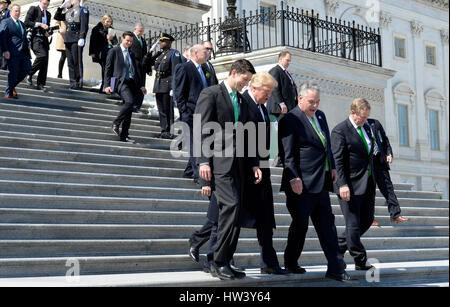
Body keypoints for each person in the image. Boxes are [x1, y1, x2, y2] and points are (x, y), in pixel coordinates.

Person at [195, 59, 262, 280]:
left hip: (240, 165)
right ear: (234, 73)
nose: (246, 84)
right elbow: (201, 128)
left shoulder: (242, 101)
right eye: (245, 79)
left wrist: (254, 163)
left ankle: (223, 260)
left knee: (236, 211)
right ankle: (218, 260)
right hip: (219, 163)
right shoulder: (211, 93)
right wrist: (203, 161)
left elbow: (249, 134)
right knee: (230, 206)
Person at [278, 82, 352, 282]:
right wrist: (294, 177)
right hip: (300, 183)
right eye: (311, 101)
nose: (315, 106)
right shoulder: (290, 119)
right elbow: (288, 154)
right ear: (300, 98)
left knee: (328, 225)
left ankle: (336, 267)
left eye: (317, 102)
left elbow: (326, 144)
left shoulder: (320, 116)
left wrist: (333, 167)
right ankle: (291, 261)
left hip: (321, 182)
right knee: (300, 225)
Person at [240, 72, 290, 275]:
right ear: (254, 88)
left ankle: (269, 263)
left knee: (265, 218)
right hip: (245, 168)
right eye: (266, 92)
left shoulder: (262, 107)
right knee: (232, 218)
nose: (270, 96)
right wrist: (253, 164)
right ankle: (214, 254)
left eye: (271, 92)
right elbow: (242, 136)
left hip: (262, 167)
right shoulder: (243, 103)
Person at [331, 98, 377, 271]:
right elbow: (338, 161)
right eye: (362, 118)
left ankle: (336, 248)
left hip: (367, 184)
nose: (365, 121)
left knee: (365, 221)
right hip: (349, 185)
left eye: (366, 118)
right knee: (353, 224)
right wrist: (342, 184)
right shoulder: (340, 131)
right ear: (352, 113)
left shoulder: (366, 129)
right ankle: (360, 259)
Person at [173, 44, 209, 183]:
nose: (207, 54)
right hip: (190, 111)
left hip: (204, 112)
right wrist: (183, 110)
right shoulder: (184, 68)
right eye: (204, 51)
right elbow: (179, 91)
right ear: (195, 53)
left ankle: (189, 170)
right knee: (195, 143)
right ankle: (197, 175)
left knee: (199, 142)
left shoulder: (205, 69)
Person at [105, 31, 147, 143]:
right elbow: (108, 69)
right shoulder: (114, 51)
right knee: (129, 102)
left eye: (131, 41)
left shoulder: (131, 54)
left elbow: (136, 71)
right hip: (120, 82)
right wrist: (107, 85)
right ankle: (116, 123)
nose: (129, 43)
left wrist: (141, 86)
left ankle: (124, 135)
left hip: (132, 83)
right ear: (122, 39)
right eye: (127, 40)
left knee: (129, 109)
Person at [368, 118, 410, 226]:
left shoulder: (375, 123)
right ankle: (368, 219)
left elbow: (385, 140)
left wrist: (389, 154)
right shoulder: (358, 126)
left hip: (380, 160)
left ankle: (395, 215)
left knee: (388, 188)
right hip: (368, 162)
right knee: (369, 191)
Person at [145, 33, 182, 139]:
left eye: (163, 41)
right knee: (161, 109)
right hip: (158, 84)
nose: (161, 43)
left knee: (167, 109)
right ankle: (163, 130)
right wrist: (149, 53)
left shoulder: (174, 54)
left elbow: (176, 71)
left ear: (169, 42)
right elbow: (146, 63)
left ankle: (169, 130)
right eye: (160, 41)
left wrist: (173, 87)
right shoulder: (159, 55)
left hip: (167, 84)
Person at [268, 51, 298, 167]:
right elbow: (275, 88)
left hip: (289, 109)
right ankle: (280, 159)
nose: (289, 62)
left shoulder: (286, 73)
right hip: (280, 109)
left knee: (286, 133)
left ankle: (283, 158)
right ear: (280, 59)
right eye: (287, 60)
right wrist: (281, 103)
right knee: (283, 134)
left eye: (290, 60)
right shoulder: (275, 71)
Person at [54, 0, 89, 90]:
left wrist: (82, 36)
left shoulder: (83, 10)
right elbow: (57, 17)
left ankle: (78, 81)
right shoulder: (68, 11)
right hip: (68, 39)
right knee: (70, 62)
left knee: (76, 61)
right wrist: (61, 8)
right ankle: (72, 82)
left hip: (77, 39)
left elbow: (84, 25)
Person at [0, 4, 32, 99]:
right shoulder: (6, 22)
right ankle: (8, 93)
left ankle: (11, 86)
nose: (18, 13)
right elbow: (2, 37)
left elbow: (24, 38)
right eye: (16, 11)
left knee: (27, 68)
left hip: (23, 52)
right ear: (11, 11)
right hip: (12, 51)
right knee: (13, 72)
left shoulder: (21, 24)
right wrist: (5, 50)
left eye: (19, 11)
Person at [25, 0, 52, 91]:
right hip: (35, 38)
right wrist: (39, 24)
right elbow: (26, 22)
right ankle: (29, 73)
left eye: (47, 4)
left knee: (45, 62)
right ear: (40, 1)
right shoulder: (34, 9)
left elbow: (47, 27)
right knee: (42, 55)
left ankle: (41, 84)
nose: (46, 6)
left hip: (44, 39)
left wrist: (48, 32)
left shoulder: (48, 14)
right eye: (44, 4)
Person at [89, 14, 117, 93]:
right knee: (105, 69)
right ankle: (105, 87)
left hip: (110, 52)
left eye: (110, 22)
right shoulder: (97, 28)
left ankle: (107, 87)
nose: (109, 23)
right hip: (102, 52)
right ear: (103, 20)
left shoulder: (111, 29)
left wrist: (112, 39)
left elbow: (115, 42)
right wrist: (92, 52)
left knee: (108, 70)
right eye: (107, 21)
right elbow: (93, 41)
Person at [129, 22, 147, 113]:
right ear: (135, 29)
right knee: (134, 85)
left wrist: (148, 68)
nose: (141, 33)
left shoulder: (143, 40)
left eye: (142, 31)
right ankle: (132, 104)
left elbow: (145, 55)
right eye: (140, 31)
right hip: (133, 64)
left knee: (141, 85)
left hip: (141, 66)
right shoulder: (130, 37)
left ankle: (137, 105)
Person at [0, 0, 11, 70]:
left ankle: (3, 66)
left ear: (6, 4)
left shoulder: (8, 12)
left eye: (2, 3)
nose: (1, 4)